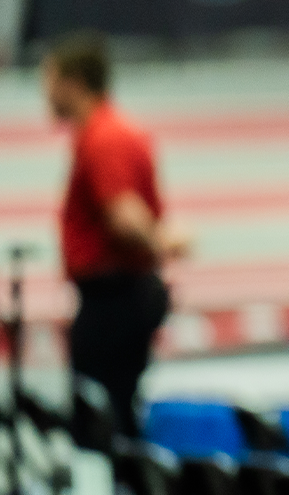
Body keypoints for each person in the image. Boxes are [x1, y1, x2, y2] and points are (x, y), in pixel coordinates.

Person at [42, 32, 188, 438]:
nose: (45, 95)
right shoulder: (100, 135)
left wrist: (161, 241)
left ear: (73, 83)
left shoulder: (104, 138)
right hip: (116, 293)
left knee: (104, 417)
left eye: (50, 82)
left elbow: (123, 215)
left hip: (116, 297)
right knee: (110, 410)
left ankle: (120, 494)